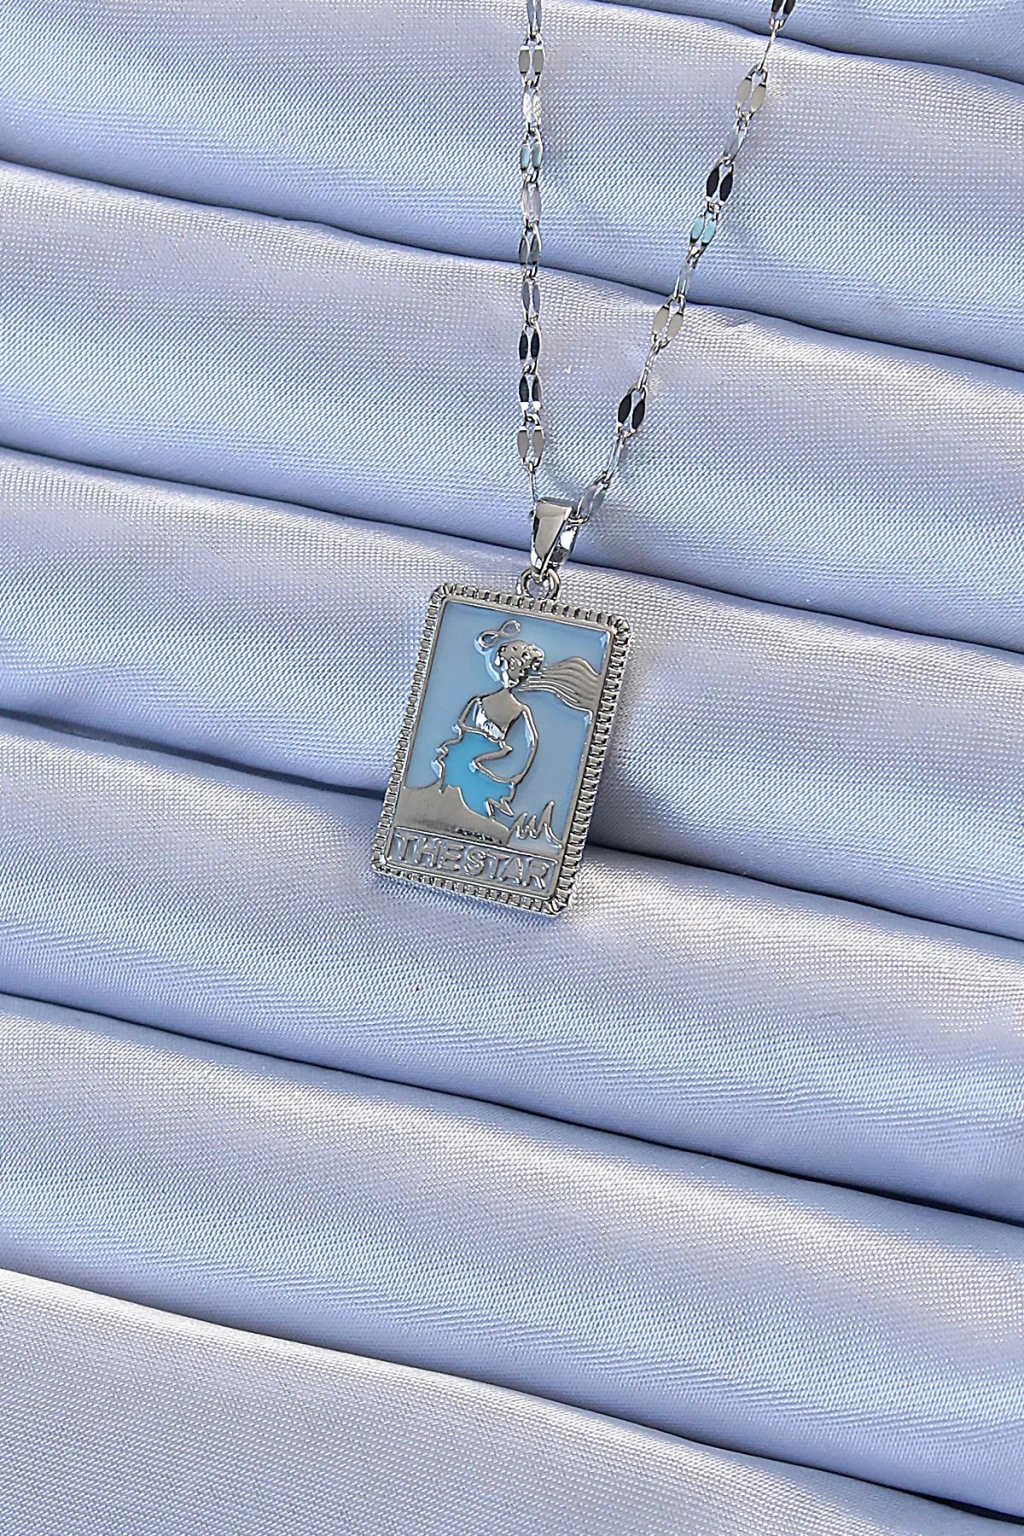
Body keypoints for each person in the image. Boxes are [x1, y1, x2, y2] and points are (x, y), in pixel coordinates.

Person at [434, 638, 545, 820]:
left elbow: (530, 746)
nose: (518, 674)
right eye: (512, 667)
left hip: (487, 763)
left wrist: (495, 763)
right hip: (464, 756)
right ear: (502, 666)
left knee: (476, 804)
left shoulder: (520, 711)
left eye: (522, 671)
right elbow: (461, 726)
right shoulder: (478, 702)